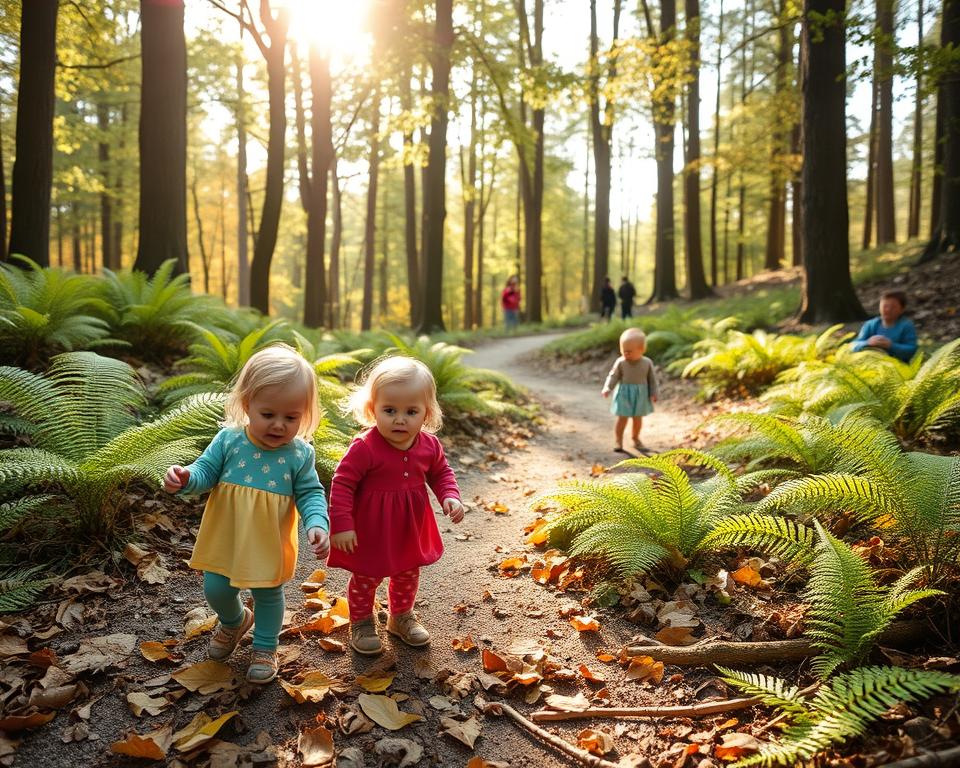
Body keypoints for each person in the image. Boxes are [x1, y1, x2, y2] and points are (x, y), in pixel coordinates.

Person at [163, 344, 330, 684]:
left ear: (305, 415)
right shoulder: (230, 441)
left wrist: (316, 521)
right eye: (268, 414)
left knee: (268, 593)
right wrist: (184, 480)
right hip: (228, 535)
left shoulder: (298, 454)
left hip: (268, 540)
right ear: (246, 404)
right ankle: (235, 620)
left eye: (291, 417)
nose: (279, 425)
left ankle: (265, 647)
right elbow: (204, 472)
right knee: (216, 589)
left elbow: (311, 492)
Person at [328, 356, 464, 656]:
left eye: (411, 411)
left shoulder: (429, 445)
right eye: (389, 410)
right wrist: (342, 524)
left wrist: (449, 496)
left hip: (409, 526)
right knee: (367, 575)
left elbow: (441, 473)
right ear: (372, 409)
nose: (400, 419)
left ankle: (400, 616)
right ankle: (361, 621)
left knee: (407, 571)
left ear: (426, 414)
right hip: (371, 528)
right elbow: (343, 483)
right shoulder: (365, 447)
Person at [601, 328, 659, 454]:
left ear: (641, 349)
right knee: (622, 418)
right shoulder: (621, 362)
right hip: (624, 394)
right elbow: (613, 376)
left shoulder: (647, 363)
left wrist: (654, 393)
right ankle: (618, 440)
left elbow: (652, 380)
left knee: (637, 419)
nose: (625, 353)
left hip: (641, 395)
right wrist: (607, 387)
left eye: (629, 351)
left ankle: (635, 438)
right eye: (623, 350)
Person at [850, 290, 918, 363]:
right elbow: (853, 345)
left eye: (893, 307)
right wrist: (868, 342)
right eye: (885, 306)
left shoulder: (906, 326)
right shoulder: (871, 324)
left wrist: (891, 346)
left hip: (898, 367)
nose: (888, 310)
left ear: (902, 309)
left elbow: (911, 350)